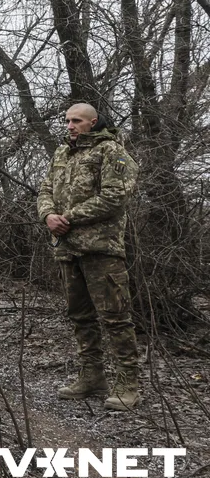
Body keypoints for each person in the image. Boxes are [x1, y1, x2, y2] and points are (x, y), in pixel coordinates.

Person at [38, 102, 142, 411]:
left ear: (93, 122)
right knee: (80, 317)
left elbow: (115, 196)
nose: (70, 125)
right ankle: (92, 376)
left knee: (116, 318)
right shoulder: (62, 154)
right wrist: (47, 216)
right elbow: (44, 190)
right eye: (67, 120)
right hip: (67, 250)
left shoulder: (111, 151)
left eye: (77, 121)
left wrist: (67, 217)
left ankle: (128, 385)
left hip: (102, 250)